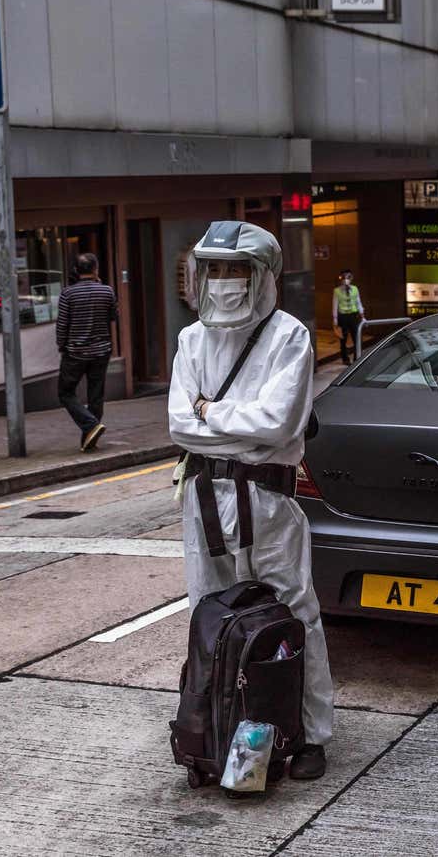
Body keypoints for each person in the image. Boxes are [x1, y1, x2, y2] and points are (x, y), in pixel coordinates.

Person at [168, 221, 333, 779]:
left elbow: (278, 422)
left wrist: (209, 411)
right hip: (206, 499)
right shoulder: (192, 340)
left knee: (294, 611)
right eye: (215, 269)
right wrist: (239, 427)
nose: (224, 281)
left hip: (267, 500)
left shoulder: (289, 337)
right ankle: (214, 733)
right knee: (209, 614)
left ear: (262, 275)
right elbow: (178, 427)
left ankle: (308, 734)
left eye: (236, 269)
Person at [55, 253, 118, 451]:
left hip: (75, 352)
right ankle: (89, 439)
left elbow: (62, 324)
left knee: (65, 392)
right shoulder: (107, 291)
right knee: (96, 395)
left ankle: (90, 426)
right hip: (101, 351)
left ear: (76, 270)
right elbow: (113, 316)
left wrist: (61, 345)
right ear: (95, 269)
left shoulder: (68, 293)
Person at [333, 269, 365, 364]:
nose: (346, 279)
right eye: (344, 277)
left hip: (353, 316)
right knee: (343, 338)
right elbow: (335, 305)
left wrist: (362, 315)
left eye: (348, 277)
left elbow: (358, 302)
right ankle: (345, 358)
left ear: (351, 278)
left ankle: (357, 358)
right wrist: (335, 319)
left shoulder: (355, 289)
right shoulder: (337, 291)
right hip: (343, 317)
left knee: (356, 337)